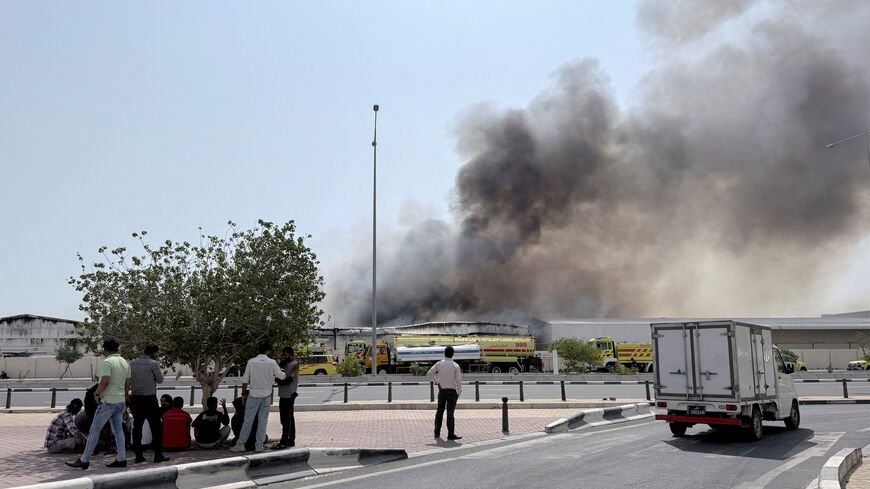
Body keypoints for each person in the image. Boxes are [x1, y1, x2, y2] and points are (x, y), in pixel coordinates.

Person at [66, 339, 131, 469]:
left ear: (105, 349)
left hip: (108, 402)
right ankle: (121, 458)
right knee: (118, 430)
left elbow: (105, 381)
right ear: (117, 349)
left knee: (94, 430)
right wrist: (123, 395)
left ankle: (84, 460)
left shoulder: (107, 362)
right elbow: (127, 382)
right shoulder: (125, 362)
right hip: (120, 401)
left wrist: (96, 393)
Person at [230, 343, 286, 452]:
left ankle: (240, 444)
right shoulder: (272, 362)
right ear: (268, 351)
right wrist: (286, 373)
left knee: (248, 421)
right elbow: (281, 376)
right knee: (262, 421)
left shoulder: (251, 362)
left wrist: (243, 394)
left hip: (253, 395)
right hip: (266, 396)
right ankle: (259, 445)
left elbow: (245, 380)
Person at [129, 345, 169, 464]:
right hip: (150, 399)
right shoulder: (153, 364)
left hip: (136, 399)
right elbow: (160, 380)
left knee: (137, 428)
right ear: (154, 353)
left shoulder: (132, 363)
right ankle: (158, 455)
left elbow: (128, 379)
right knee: (156, 428)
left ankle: (138, 455)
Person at [427, 345, 462, 441]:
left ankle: (437, 432)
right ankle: (450, 434)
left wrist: (437, 382)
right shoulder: (455, 365)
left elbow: (429, 373)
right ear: (453, 354)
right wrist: (459, 392)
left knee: (439, 412)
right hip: (452, 391)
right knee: (450, 413)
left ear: (444, 354)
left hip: (442, 391)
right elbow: (458, 380)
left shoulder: (439, 364)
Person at [274, 347, 300, 449]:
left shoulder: (294, 365)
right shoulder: (288, 364)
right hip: (285, 394)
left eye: (285, 355)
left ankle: (284, 440)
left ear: (290, 354)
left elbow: (289, 379)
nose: (284, 357)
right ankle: (290, 439)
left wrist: (279, 380)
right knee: (289, 419)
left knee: (285, 419)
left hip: (288, 394)